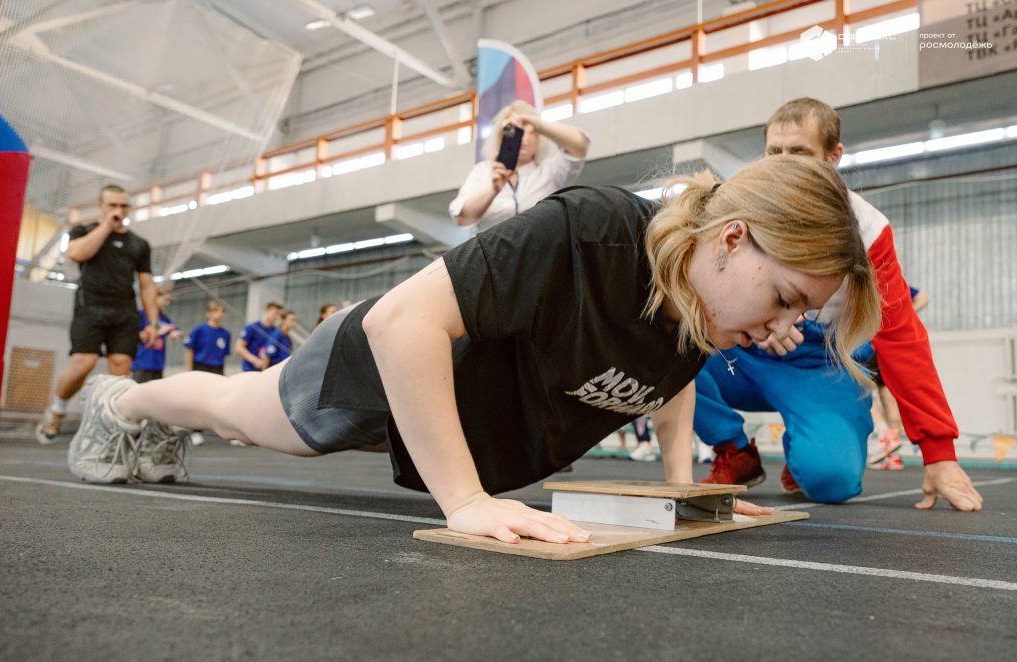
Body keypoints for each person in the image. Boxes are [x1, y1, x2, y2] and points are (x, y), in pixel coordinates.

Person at [66, 155, 880, 543]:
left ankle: (143, 415)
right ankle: (122, 403)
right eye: (785, 299)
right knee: (240, 412)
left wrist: (680, 493)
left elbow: (666, 383)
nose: (783, 328)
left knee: (245, 413)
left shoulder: (699, 312)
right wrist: (464, 501)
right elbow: (400, 324)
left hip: (449, 416)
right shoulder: (592, 231)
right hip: (384, 367)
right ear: (732, 239)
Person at [693, 97, 982, 512]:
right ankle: (733, 449)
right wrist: (757, 318)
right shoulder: (737, 203)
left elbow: (901, 337)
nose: (784, 164)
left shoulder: (869, 232)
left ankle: (808, 447)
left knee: (832, 481)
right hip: (743, 353)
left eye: (800, 152)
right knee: (668, 340)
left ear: (833, 156)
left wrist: (939, 454)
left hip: (820, 363)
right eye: (775, 152)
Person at [35, 184, 158, 444]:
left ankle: (112, 428)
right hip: (90, 308)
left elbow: (146, 285)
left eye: (123, 206)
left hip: (124, 311)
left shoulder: (139, 244)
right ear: (101, 206)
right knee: (83, 364)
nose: (118, 210)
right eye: (112, 205)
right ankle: (56, 411)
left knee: (121, 368)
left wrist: (152, 322)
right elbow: (77, 253)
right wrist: (106, 227)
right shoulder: (83, 231)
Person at [449, 100, 589, 234]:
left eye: (530, 131)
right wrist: (493, 190)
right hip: (492, 250)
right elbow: (462, 218)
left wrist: (538, 124)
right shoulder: (483, 171)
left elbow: (579, 146)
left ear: (539, 138)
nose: (523, 138)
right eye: (516, 131)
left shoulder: (550, 172)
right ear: (501, 136)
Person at [864, 285, 930, 470]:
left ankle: (883, 433)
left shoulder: (878, 282)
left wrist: (899, 318)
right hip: (889, 348)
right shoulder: (892, 285)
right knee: (888, 397)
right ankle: (893, 455)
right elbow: (924, 297)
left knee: (862, 390)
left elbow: (924, 297)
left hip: (872, 345)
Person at [131, 286, 181, 384]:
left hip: (158, 365)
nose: (167, 303)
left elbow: (173, 328)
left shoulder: (163, 318)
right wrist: (158, 332)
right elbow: (135, 336)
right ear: (155, 297)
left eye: (169, 300)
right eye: (165, 299)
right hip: (142, 363)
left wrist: (174, 332)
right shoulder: (141, 314)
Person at [184, 301, 231, 375]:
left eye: (222, 311)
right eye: (216, 311)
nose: (219, 314)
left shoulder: (226, 334)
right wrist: (188, 371)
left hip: (217, 369)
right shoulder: (199, 330)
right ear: (208, 313)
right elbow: (190, 351)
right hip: (200, 367)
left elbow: (223, 356)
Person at [235, 302, 282, 372]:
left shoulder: (276, 332)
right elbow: (239, 347)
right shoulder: (252, 327)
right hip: (250, 369)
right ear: (267, 311)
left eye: (279, 315)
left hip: (267, 369)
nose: (277, 317)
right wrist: (255, 360)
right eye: (275, 313)